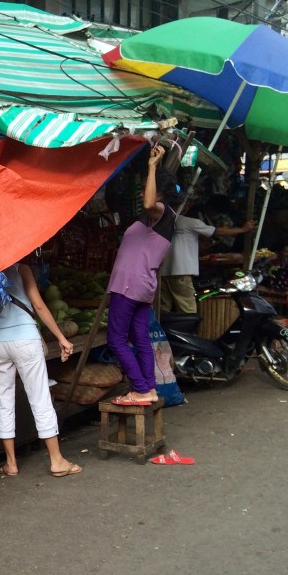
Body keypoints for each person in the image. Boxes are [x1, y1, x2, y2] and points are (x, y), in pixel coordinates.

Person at [0, 261, 81, 478]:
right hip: (25, 340)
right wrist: (61, 338)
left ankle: (11, 463)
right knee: (40, 397)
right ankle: (56, 461)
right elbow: (38, 305)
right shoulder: (21, 268)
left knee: (3, 401)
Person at [106, 144, 177, 406]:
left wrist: (152, 165)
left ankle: (140, 388)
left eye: (150, 182)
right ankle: (149, 389)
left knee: (115, 339)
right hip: (142, 285)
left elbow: (148, 202)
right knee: (139, 339)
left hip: (129, 285)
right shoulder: (160, 220)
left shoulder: (159, 211)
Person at [160, 210, 254, 313]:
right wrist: (243, 229)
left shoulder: (161, 221)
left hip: (162, 271)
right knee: (187, 308)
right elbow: (217, 232)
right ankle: (188, 328)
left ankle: (161, 328)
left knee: (164, 308)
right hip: (181, 271)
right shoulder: (190, 222)